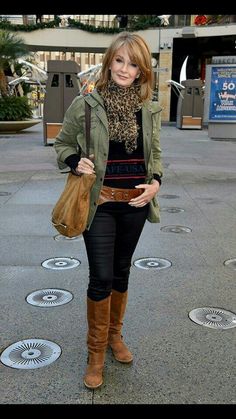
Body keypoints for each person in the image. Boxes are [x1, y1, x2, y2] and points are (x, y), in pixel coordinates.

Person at [54, 31, 163, 390]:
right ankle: (96, 353)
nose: (125, 69)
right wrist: (74, 162)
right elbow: (63, 142)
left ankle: (115, 336)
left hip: (134, 202)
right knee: (100, 276)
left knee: (121, 271)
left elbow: (156, 154)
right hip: (99, 203)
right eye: (120, 60)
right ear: (109, 60)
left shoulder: (149, 108)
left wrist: (156, 182)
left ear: (141, 69)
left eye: (133, 63)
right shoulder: (87, 104)